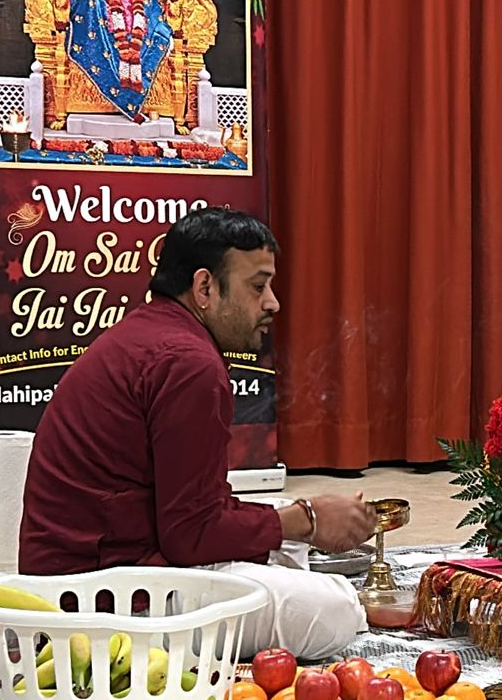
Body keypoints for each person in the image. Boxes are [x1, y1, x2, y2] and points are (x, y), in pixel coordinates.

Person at [19, 207, 373, 658]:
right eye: (258, 286)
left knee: (283, 542)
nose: (273, 303)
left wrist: (295, 521)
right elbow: (190, 536)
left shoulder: (153, 333)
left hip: (88, 578)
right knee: (334, 608)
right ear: (205, 287)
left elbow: (192, 509)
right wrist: (309, 519)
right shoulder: (188, 363)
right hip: (104, 607)